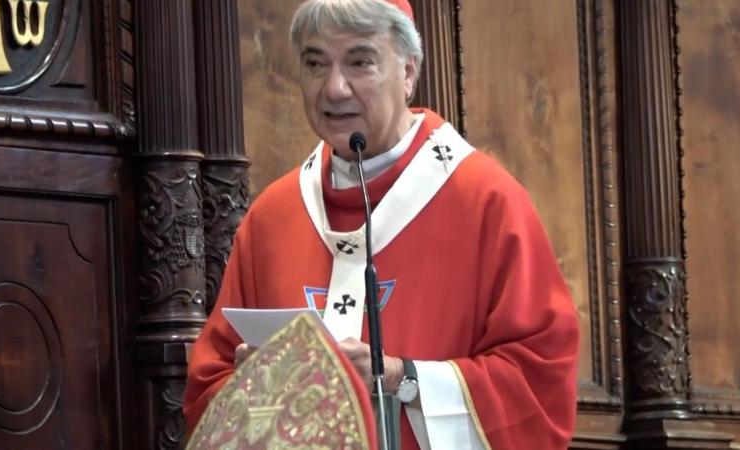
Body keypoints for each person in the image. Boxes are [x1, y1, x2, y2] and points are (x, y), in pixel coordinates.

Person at [183, 0, 580, 448]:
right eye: (315, 64)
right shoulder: (273, 216)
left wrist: (399, 378)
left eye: (360, 62)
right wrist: (258, 392)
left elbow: (538, 385)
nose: (334, 88)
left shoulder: (485, 201)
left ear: (407, 72)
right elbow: (210, 382)